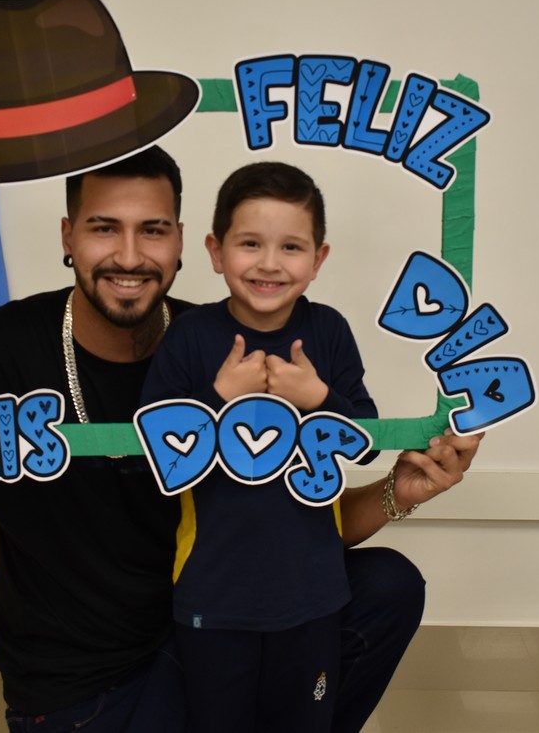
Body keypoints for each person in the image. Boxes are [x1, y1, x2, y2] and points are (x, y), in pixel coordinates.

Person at [0, 146, 483, 733]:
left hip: (211, 621)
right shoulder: (0, 350)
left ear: (186, 243)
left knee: (386, 587)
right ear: (69, 235)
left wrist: (397, 493)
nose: (130, 256)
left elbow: (291, 524)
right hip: (87, 688)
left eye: (153, 230)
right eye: (104, 228)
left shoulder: (226, 341)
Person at [139, 162, 374, 732]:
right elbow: (156, 458)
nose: (270, 263)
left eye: (291, 247)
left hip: (313, 593)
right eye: (250, 244)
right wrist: (220, 397)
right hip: (212, 595)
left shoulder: (330, 331)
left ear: (318, 259)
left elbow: (367, 441)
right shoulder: (189, 336)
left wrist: (318, 398)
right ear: (216, 252)